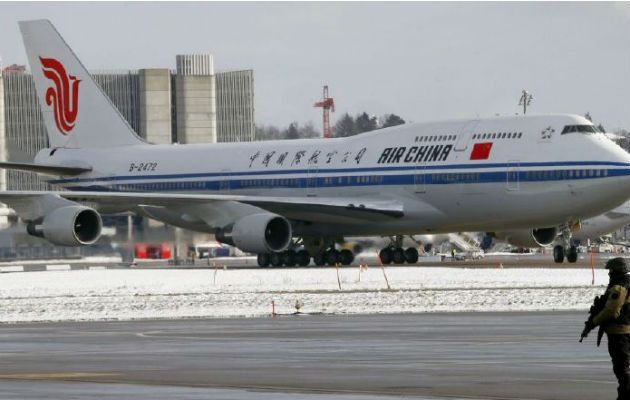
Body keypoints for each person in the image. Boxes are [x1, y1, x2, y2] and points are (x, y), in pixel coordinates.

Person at [589, 257, 630, 400]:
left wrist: (594, 321)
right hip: (624, 330)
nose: (609, 274)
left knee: (622, 367)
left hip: (620, 332)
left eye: (611, 271)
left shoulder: (619, 287)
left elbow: (611, 310)